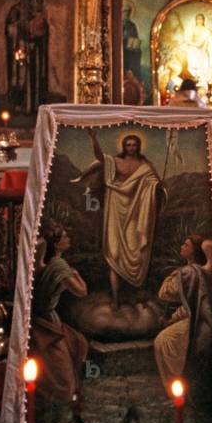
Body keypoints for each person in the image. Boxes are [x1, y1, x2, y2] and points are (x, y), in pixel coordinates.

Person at [73, 130, 164, 305]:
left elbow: (153, 183)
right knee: (114, 253)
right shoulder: (116, 161)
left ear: (138, 146)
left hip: (137, 211)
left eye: (134, 144)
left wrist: (156, 186)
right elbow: (100, 157)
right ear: (124, 146)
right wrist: (93, 139)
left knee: (136, 252)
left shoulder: (145, 166)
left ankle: (136, 298)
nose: (131, 147)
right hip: (116, 208)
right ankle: (115, 299)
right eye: (128, 144)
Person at [31, 222, 89, 416]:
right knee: (62, 368)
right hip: (48, 321)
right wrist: (78, 275)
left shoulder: (46, 263)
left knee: (78, 344)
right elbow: (81, 291)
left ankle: (72, 398)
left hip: (43, 319)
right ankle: (66, 398)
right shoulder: (59, 265)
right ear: (56, 244)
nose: (68, 239)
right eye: (64, 237)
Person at [154, 236, 212, 396]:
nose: (182, 246)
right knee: (163, 340)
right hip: (193, 317)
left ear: (194, 251)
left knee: (165, 340)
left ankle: (179, 383)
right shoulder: (190, 272)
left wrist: (177, 275)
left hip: (200, 321)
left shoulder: (190, 273)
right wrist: (171, 320)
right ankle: (175, 387)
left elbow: (165, 293)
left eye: (186, 244)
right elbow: (188, 306)